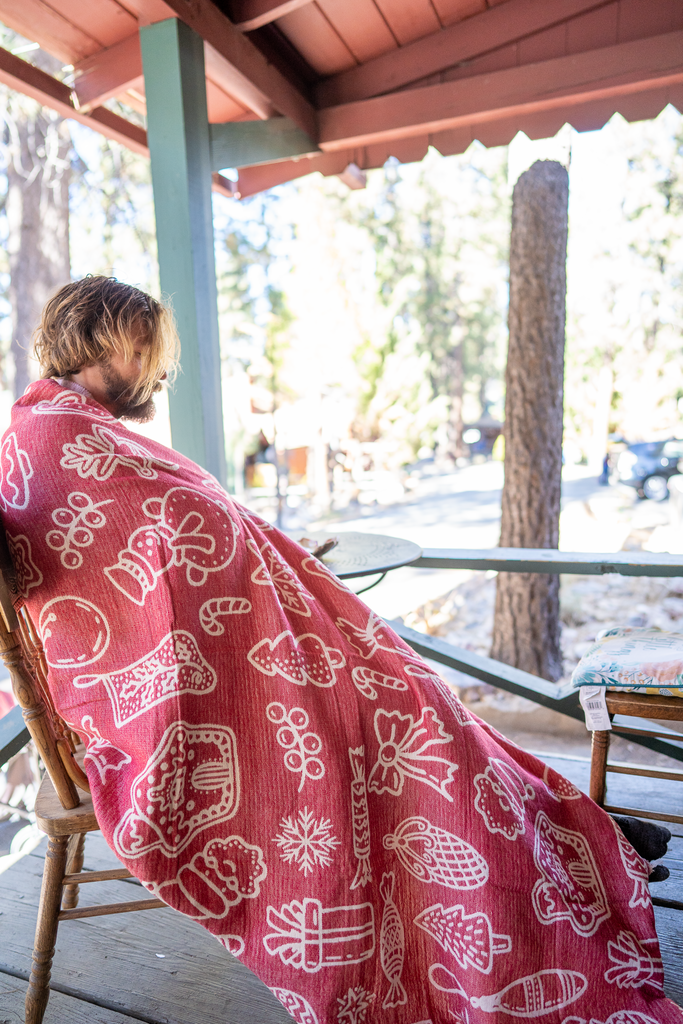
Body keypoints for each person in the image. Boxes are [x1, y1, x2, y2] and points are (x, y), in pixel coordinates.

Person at [2, 276, 681, 1024]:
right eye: (146, 353)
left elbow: (186, 538)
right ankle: (558, 847)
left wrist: (278, 561)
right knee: (408, 724)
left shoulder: (62, 431)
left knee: (420, 698)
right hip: (201, 694)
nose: (157, 372)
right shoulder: (65, 441)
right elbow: (148, 572)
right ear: (108, 342)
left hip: (256, 653)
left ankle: (569, 827)